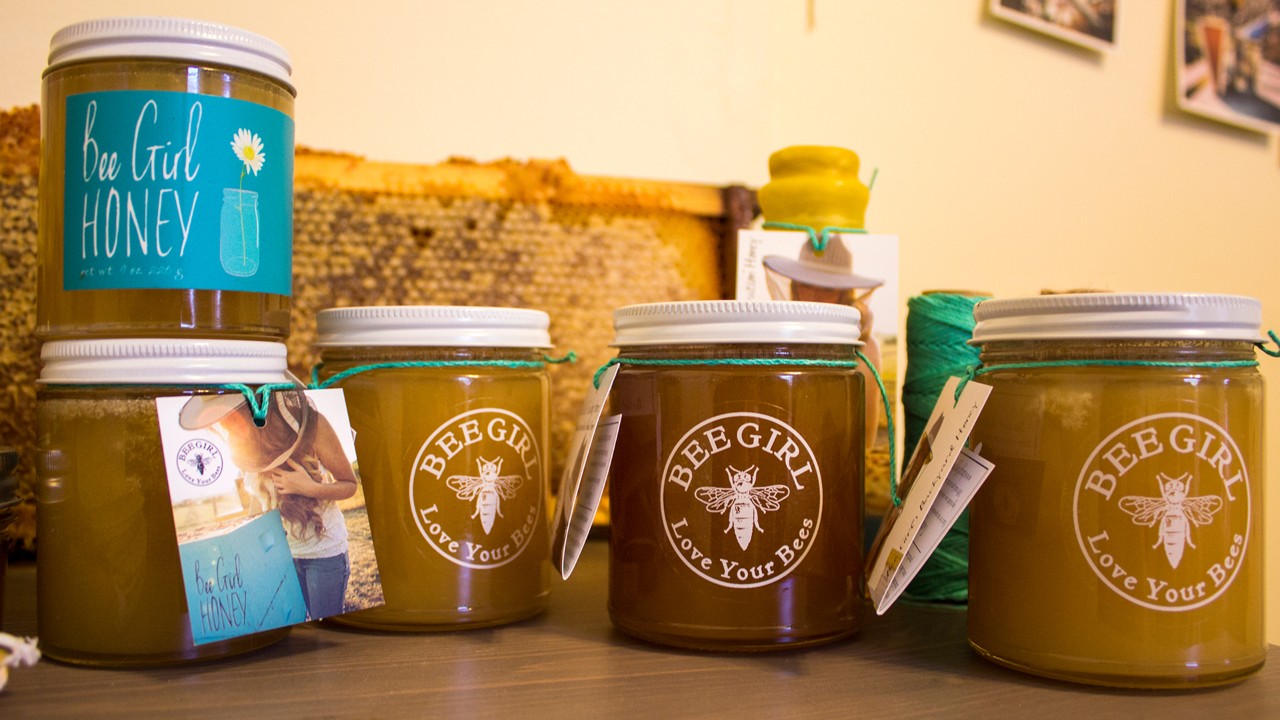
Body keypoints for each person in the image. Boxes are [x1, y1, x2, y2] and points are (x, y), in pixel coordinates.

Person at [180, 390, 357, 620]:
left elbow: (349, 485)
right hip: (284, 556)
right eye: (221, 419)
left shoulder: (313, 425)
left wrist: (309, 488)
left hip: (324, 554)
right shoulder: (241, 448)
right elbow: (260, 498)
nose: (227, 425)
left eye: (232, 414)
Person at [763, 234, 885, 448]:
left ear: (844, 293)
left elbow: (865, 439)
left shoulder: (866, 348)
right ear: (794, 285)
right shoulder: (775, 338)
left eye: (827, 288)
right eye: (806, 285)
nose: (814, 295)